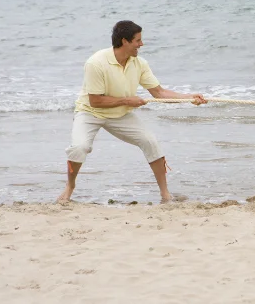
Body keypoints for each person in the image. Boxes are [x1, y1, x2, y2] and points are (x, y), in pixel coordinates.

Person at [57, 20, 207, 204]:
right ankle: (70, 186)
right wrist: (128, 100)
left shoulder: (139, 63)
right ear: (124, 41)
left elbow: (159, 93)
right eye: (138, 40)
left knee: (151, 142)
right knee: (79, 148)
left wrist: (189, 98)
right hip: (90, 113)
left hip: (121, 114)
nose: (141, 44)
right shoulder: (95, 63)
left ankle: (166, 194)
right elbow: (95, 101)